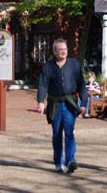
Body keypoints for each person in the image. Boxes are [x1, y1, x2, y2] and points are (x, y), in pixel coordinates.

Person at [36, 38, 87, 174]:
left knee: (69, 132)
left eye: (65, 49)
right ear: (55, 51)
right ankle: (58, 162)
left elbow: (82, 84)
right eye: (60, 50)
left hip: (70, 103)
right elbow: (43, 85)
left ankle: (70, 160)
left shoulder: (75, 65)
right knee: (57, 134)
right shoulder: (48, 67)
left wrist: (84, 103)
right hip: (55, 104)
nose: (63, 52)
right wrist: (41, 101)